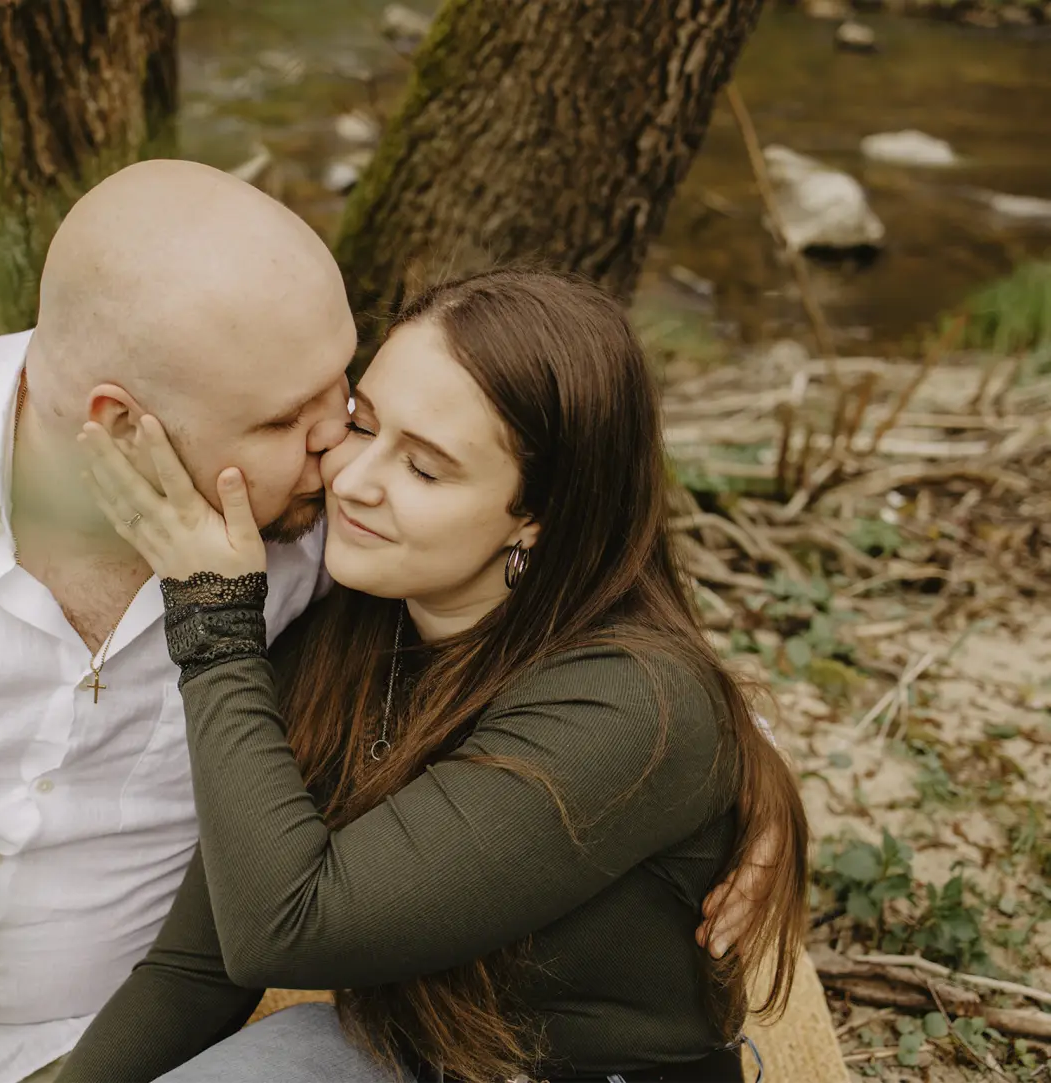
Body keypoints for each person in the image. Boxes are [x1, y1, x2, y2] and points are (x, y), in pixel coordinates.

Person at [0, 161, 763, 1083]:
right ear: (121, 422)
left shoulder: (322, 547)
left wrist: (740, 777)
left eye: (346, 388)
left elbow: (575, 648)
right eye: (303, 416)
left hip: (107, 1028)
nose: (341, 451)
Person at [64, 267, 810, 1083]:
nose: (353, 480)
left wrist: (213, 622)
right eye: (361, 423)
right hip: (395, 1056)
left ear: (536, 513)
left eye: (424, 468)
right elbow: (195, 970)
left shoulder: (633, 703)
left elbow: (287, 930)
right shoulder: (351, 632)